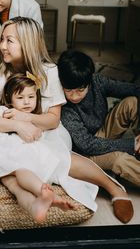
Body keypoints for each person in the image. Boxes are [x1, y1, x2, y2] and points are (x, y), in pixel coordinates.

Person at [0, 17, 133, 224]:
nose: (1, 46)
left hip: (45, 131)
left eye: (9, 40)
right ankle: (36, 201)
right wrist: (18, 125)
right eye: (2, 39)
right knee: (8, 169)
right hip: (8, 134)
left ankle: (115, 188)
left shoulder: (48, 72)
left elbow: (53, 120)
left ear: (27, 42)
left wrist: (27, 118)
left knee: (59, 159)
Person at [0, 73, 76, 223]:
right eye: (20, 98)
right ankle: (42, 191)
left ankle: (36, 205)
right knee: (21, 172)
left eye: (31, 97)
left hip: (18, 158)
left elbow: (43, 131)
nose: (27, 102)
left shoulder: (34, 115)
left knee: (16, 185)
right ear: (10, 98)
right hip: (3, 152)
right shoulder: (5, 111)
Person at [57, 49, 140, 188]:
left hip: (103, 132)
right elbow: (87, 145)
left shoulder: (97, 81)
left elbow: (134, 89)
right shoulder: (65, 108)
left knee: (132, 102)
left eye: (80, 90)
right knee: (119, 160)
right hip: (84, 154)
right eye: (69, 90)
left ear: (89, 83)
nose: (74, 96)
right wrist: (131, 144)